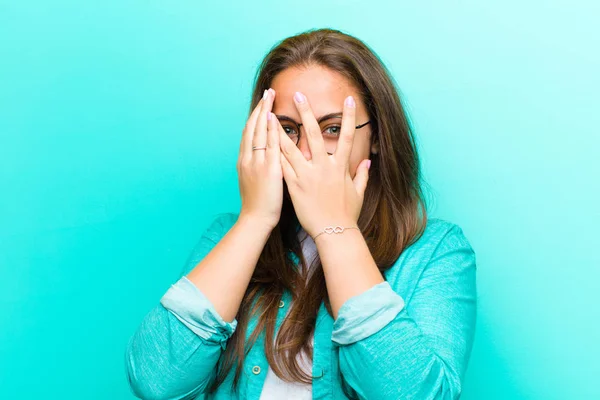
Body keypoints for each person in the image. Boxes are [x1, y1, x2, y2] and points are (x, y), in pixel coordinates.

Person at [125, 28, 477, 400]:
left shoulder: (435, 252)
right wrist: (255, 219)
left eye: (332, 128)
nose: (306, 153)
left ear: (376, 135)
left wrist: (336, 230)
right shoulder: (228, 235)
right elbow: (157, 382)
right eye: (289, 129)